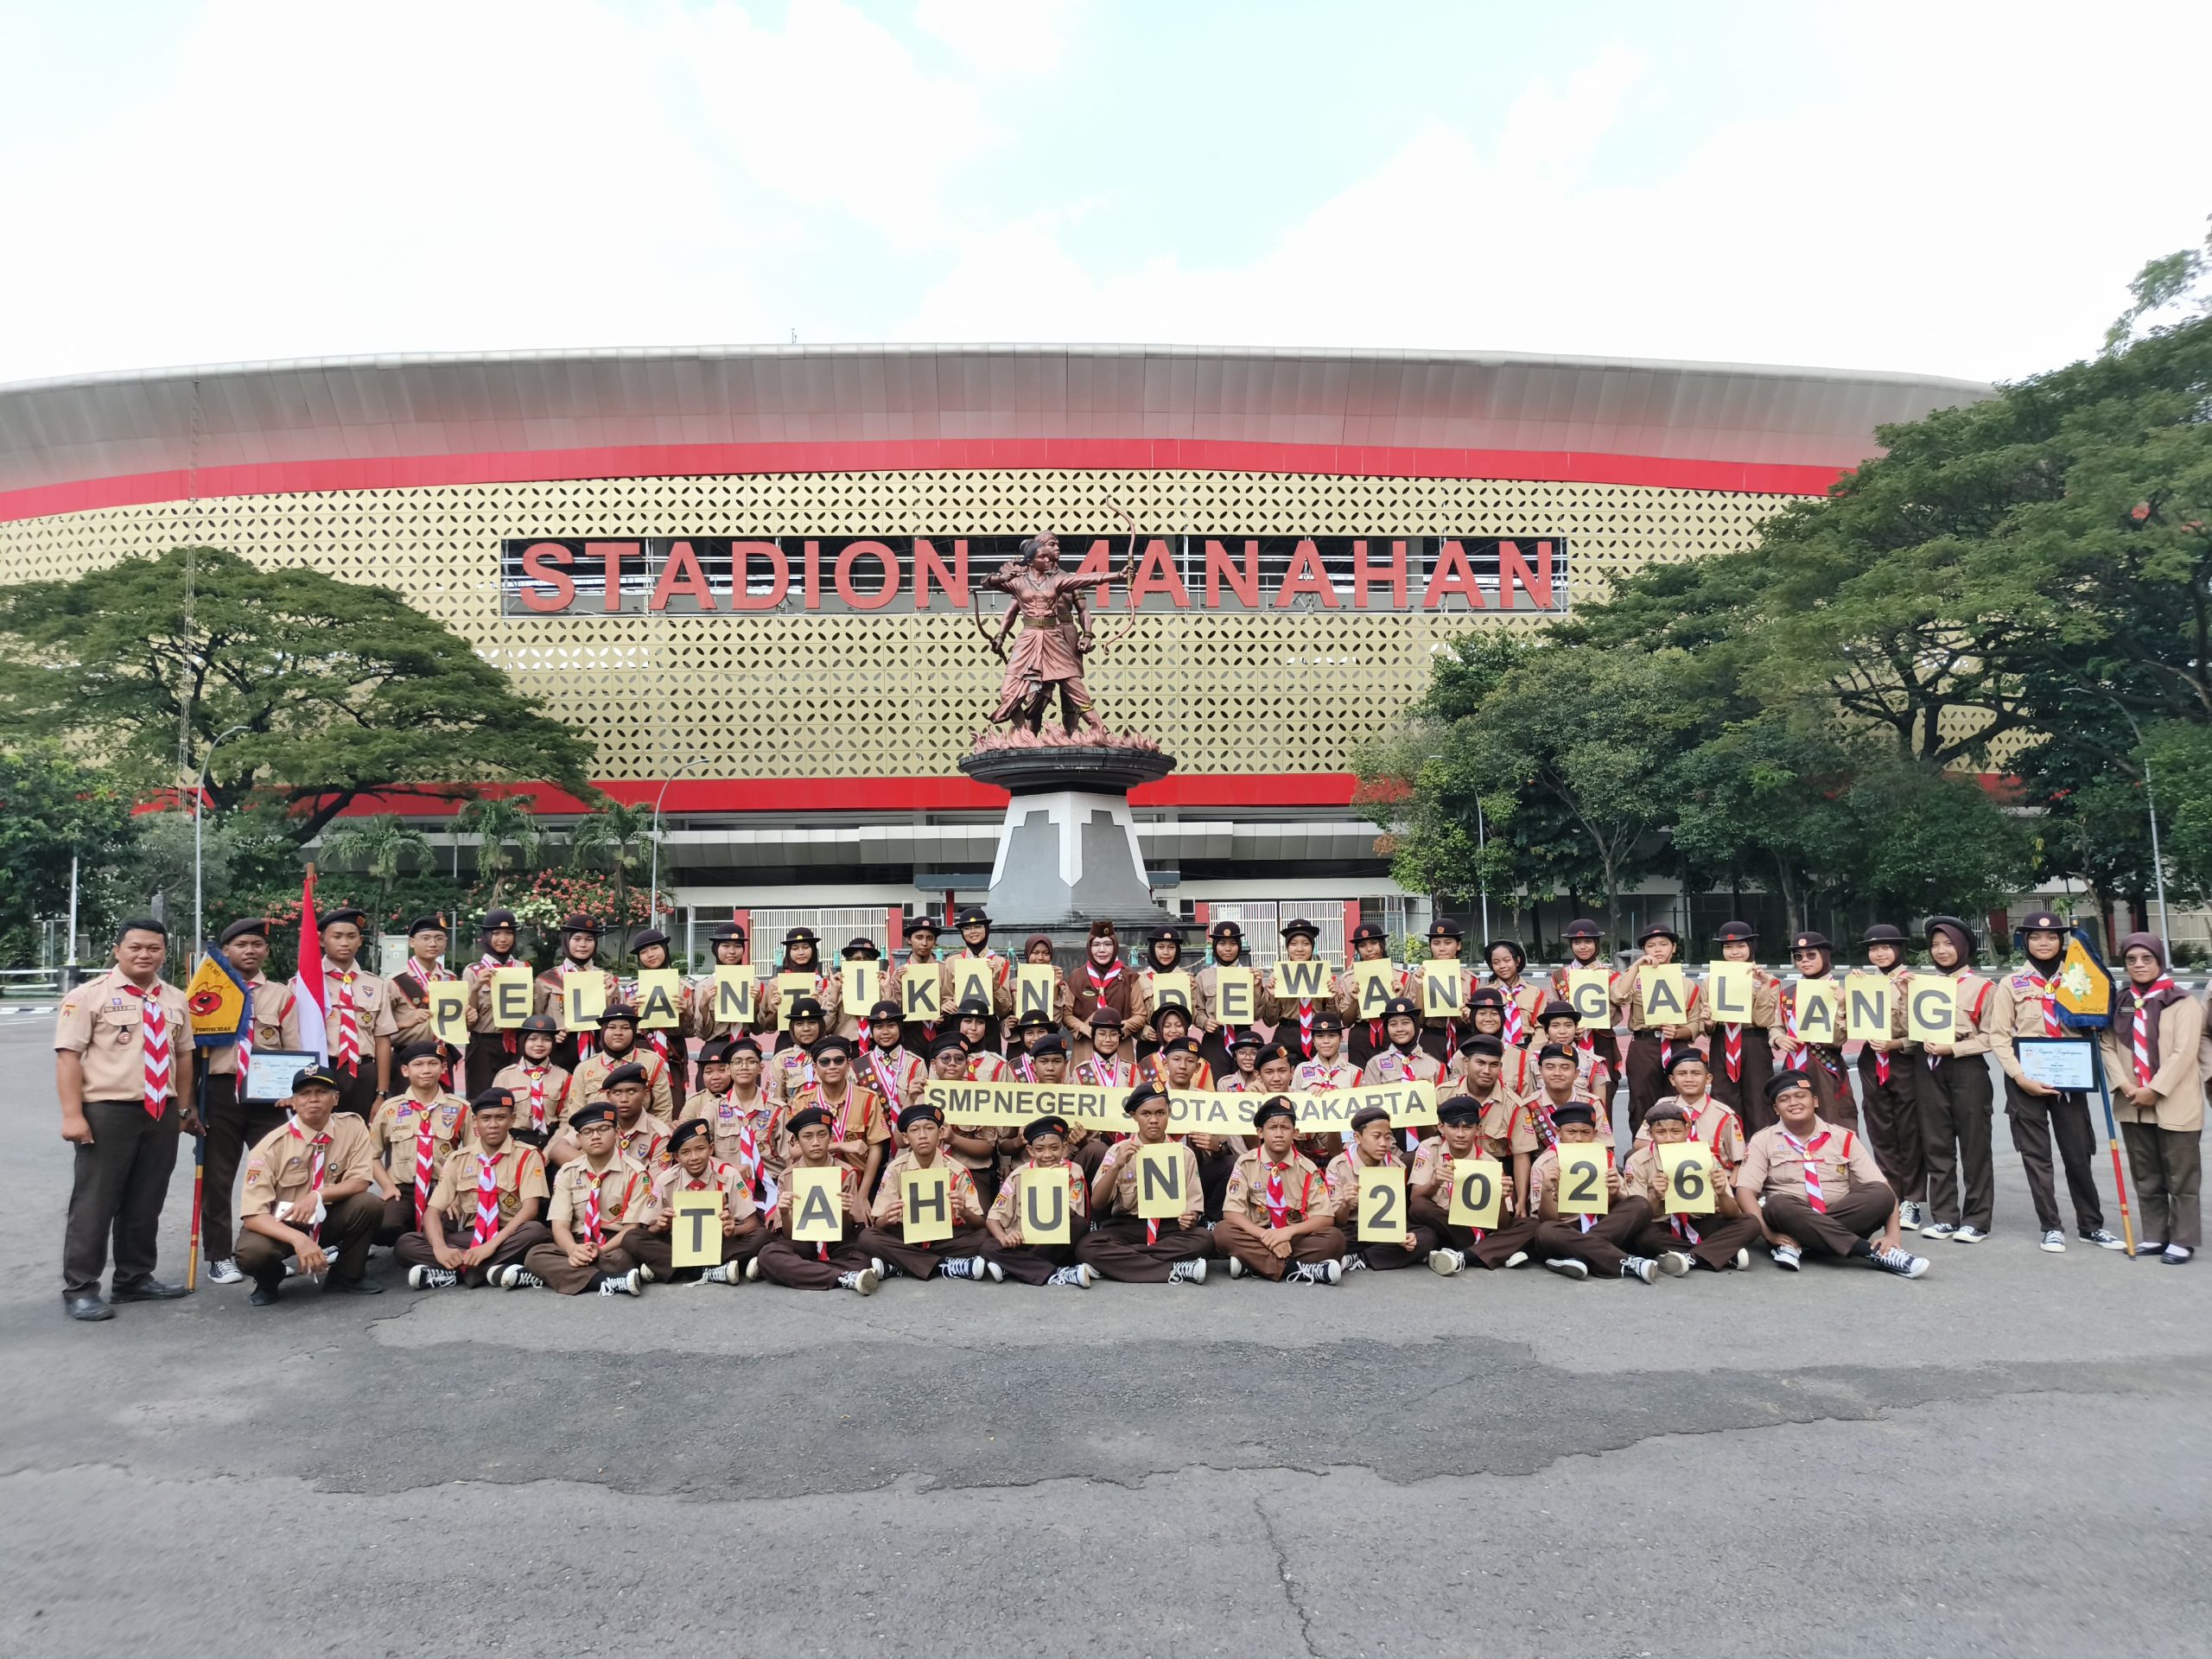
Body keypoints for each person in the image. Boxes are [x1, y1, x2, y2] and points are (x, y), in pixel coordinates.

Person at [55, 917, 198, 1320]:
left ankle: (135, 1278)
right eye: (135, 947)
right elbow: (68, 1057)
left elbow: (183, 1056)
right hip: (108, 1111)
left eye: (153, 948)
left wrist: (184, 1109)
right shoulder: (88, 996)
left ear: (165, 953)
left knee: (146, 1199)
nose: (144, 954)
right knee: (95, 1202)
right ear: (118, 951)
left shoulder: (174, 999)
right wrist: (72, 1116)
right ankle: (81, 1287)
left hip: (160, 1111)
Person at [1986, 912, 2122, 1252]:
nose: (2043, 943)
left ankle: (2091, 1225)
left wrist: (2095, 1021)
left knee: (2079, 1152)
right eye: (2035, 938)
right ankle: (2051, 1226)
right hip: (2025, 1082)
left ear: (2062, 941)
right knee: (2037, 1157)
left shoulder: (2081, 979)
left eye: (2050, 937)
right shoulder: (2012, 983)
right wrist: (2020, 1077)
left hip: (2071, 1080)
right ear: (2026, 942)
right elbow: (1999, 1036)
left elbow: (2098, 1026)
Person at [198, 917, 303, 1287]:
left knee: (281, 1175)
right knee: (218, 1177)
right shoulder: (204, 989)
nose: (250, 951)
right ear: (226, 951)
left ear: (267, 952)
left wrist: (295, 1092)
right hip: (220, 1091)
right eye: (241, 945)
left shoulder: (280, 995)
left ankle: (275, 1250)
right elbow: (187, 1049)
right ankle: (219, 1257)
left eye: (257, 945)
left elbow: (293, 1047)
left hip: (269, 1097)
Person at [1738, 1073, 1928, 1277]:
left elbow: (1883, 1189)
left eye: (1800, 1096)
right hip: (1791, 1218)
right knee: (1777, 1204)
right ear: (1776, 1109)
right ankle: (1872, 1253)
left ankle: (1803, 1244)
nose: (1793, 1103)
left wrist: (1893, 1235)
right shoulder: (1763, 1140)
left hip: (1842, 1217)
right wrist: (1770, 1234)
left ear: (1815, 1101)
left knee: (1881, 1193)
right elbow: (1745, 1192)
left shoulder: (1843, 1137)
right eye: (1784, 1099)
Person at [234, 1065, 385, 1305]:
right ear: (293, 1101)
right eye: (304, 1094)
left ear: (335, 1098)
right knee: (251, 1252)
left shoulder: (353, 1126)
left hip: (327, 1215)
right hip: (282, 1222)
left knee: (369, 1205)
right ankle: (270, 1279)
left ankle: (348, 1275)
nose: (313, 1099)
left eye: (321, 1092)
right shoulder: (269, 1147)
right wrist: (298, 1239)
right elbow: (253, 1215)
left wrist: (317, 1195)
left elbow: (360, 1181)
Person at [2102, 932, 2204, 1264]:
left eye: (2147, 958)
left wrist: (2153, 1089)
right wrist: (2124, 1084)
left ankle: (2183, 1238)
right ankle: (2154, 1235)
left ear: (2159, 960)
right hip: (2132, 1102)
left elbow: (2184, 1052)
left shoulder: (2182, 1001)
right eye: (2131, 959)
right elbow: (2106, 1045)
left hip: (2174, 1100)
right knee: (2145, 1173)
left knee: (2181, 1174)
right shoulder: (2118, 1002)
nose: (2139, 965)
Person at [393, 1086, 551, 1288]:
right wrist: (441, 1249)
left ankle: (454, 1274)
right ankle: (491, 1270)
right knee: (406, 1244)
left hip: (508, 1236)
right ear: (475, 1122)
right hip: (469, 1237)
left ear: (512, 1120)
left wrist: (490, 1247)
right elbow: (432, 1211)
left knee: (536, 1232)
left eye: (500, 1118)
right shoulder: (459, 1159)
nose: (493, 1125)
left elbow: (530, 1210)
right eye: (485, 1118)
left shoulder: (527, 1155)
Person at [980, 530, 1122, 734]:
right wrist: (1001, 635)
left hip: (1061, 637)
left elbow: (1088, 584)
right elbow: (998, 597)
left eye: (1054, 548)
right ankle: (1027, 736)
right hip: (1031, 639)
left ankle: (1094, 729)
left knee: (1072, 686)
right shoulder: (1020, 581)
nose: (1053, 552)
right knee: (1036, 695)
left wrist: (1118, 575)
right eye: (1045, 552)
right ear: (1031, 559)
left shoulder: (1060, 580)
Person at [512, 1103, 659, 1295]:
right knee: (535, 1255)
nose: (595, 1136)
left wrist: (600, 1249)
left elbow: (631, 1229)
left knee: (624, 1259)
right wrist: (572, 1249)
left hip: (613, 1242)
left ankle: (555, 1276)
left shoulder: (636, 1173)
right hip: (577, 1241)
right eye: (587, 1132)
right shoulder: (568, 1172)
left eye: (602, 1129)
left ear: (616, 1133)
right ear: (579, 1139)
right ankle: (606, 1281)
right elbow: (560, 1225)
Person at [1076, 1084, 1211, 1283]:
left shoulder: (1183, 1154)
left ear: (1169, 1113)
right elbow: (1097, 1203)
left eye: (1160, 1113)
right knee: (1086, 1246)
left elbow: (1193, 1207)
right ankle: (1175, 1269)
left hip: (1168, 1226)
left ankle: (1117, 1262)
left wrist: (1190, 1217)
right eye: (1146, 1114)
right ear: (1134, 1116)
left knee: (1205, 1240)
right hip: (1128, 1225)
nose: (1154, 1120)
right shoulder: (1118, 1151)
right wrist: (1116, 1166)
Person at [1914, 917, 1996, 1243]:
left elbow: (1992, 1036)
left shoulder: (1984, 988)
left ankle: (1977, 1218)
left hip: (1967, 1069)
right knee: (1936, 1143)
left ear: (1963, 947)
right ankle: (1945, 1216)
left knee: (1975, 1144)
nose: (1941, 951)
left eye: (1948, 944)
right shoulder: (1922, 985)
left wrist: (1955, 1048)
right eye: (1935, 945)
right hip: (1928, 1068)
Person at [856, 1103, 995, 1281]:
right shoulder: (896, 1169)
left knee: (985, 1238)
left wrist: (965, 1212)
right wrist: (887, 1218)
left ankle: (899, 1265)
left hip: (947, 1238)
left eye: (929, 1128)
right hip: (906, 1236)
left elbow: (979, 1224)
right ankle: (946, 1265)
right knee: (867, 1237)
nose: (922, 1136)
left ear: (940, 1135)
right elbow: (879, 1224)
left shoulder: (957, 1170)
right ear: (906, 1138)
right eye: (915, 1130)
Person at [1618, 1099, 1760, 1272]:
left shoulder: (1704, 1156)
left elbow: (1733, 1213)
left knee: (1750, 1223)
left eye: (1676, 1131)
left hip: (1700, 1221)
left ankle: (1688, 1258)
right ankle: (1716, 1253)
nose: (1669, 1139)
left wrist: (1722, 1193)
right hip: (1662, 1224)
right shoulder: (1638, 1161)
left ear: (1687, 1130)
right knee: (1640, 1236)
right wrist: (1655, 1196)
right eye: (1661, 1132)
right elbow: (1640, 1216)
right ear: (1650, 1133)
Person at [1215, 1098, 1347, 1283]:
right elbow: (1231, 1213)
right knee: (1222, 1232)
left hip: (1293, 1239)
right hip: (1257, 1235)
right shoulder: (1246, 1163)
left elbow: (1325, 1217)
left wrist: (1287, 1233)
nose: (1279, 1134)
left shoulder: (1307, 1168)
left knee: (1335, 1239)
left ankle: (1252, 1264)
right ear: (1260, 1133)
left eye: (1285, 1128)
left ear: (1295, 1132)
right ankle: (1297, 1269)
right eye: (1272, 1127)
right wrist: (1267, 1236)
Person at [1527, 1102, 1662, 1283]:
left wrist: (1615, 1194)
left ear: (1594, 1134)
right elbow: (1548, 1219)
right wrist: (1546, 1190)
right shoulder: (1545, 1164)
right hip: (1568, 1227)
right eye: (1571, 1132)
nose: (1579, 1139)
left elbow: (1625, 1202)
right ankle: (1629, 1262)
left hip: (1605, 1224)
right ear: (1558, 1133)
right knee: (1545, 1231)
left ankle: (1578, 1255)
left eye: (1585, 1132)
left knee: (1640, 1204)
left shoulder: (1604, 1156)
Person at [754, 1104, 881, 1294]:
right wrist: (784, 1212)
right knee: (768, 1255)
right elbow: (789, 1235)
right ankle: (844, 1277)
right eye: (807, 1136)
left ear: (830, 1138)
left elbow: (847, 1232)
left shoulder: (846, 1173)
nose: (815, 1142)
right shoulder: (788, 1176)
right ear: (796, 1141)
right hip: (802, 1242)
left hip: (836, 1243)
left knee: (865, 1253)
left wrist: (845, 1212)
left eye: (822, 1135)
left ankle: (804, 1271)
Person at [1408, 1093, 1535, 1269]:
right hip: (1443, 1224)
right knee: (1420, 1208)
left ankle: (1463, 1255)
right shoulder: (1429, 1148)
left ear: (1478, 1129)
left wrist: (1499, 1198)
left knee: (1531, 1225)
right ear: (1441, 1127)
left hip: (1477, 1225)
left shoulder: (1489, 1162)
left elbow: (1501, 1224)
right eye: (1453, 1127)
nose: (1460, 1134)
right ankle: (1491, 1249)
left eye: (1467, 1128)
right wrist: (1434, 1183)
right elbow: (1416, 1198)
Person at [1325, 1105, 1455, 1273]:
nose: (1383, 1144)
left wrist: (1399, 1235)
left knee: (1427, 1237)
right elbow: (1338, 1221)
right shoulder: (1338, 1165)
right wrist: (1345, 1204)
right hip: (1353, 1229)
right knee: (1335, 1240)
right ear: (1357, 1137)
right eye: (1376, 1137)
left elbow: (1396, 1215)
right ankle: (1385, 1254)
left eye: (1388, 1138)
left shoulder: (1395, 1165)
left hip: (1385, 1229)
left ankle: (1358, 1259)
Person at [366, 1040, 472, 1245]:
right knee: (384, 1228)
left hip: (441, 1189)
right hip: (402, 1190)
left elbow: (473, 1156)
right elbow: (371, 1154)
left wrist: (457, 1196)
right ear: (405, 1071)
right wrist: (387, 1186)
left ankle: (418, 1243)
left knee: (440, 1232)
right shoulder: (390, 1109)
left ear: (443, 1069)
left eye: (433, 1064)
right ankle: (412, 1239)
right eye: (418, 1064)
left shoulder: (461, 1108)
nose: (426, 1070)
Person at [641, 1118, 766, 1285]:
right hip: (678, 1245)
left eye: (700, 1149)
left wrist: (732, 1229)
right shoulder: (665, 1180)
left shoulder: (729, 1175)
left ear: (711, 1149)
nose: (694, 1157)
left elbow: (753, 1223)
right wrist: (661, 1226)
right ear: (676, 1157)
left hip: (720, 1245)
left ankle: (669, 1268)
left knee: (763, 1236)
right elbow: (648, 1229)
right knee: (632, 1238)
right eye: (685, 1152)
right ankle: (712, 1271)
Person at [1611, 924, 1705, 1135]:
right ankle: (1641, 1153)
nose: (1658, 949)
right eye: (1651, 945)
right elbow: (1617, 996)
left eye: (1664, 944)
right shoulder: (1635, 980)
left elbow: (1697, 1022)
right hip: (1645, 1045)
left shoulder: (1687, 984)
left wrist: (1680, 1033)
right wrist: (1635, 967)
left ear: (1674, 948)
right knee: (1641, 1101)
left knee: (1680, 1099)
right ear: (1645, 951)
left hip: (1677, 1046)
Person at [979, 1116, 1096, 1287]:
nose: (1047, 1155)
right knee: (988, 1246)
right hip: (1024, 1242)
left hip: (1056, 1243)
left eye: (1054, 1148)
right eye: (1040, 1149)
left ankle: (1013, 1267)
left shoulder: (1073, 1171)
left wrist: (1060, 1188)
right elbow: (993, 1218)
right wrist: (1005, 1238)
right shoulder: (1019, 1174)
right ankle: (1058, 1273)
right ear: (1030, 1151)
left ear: (1064, 1149)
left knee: (1080, 1225)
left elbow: (1074, 1214)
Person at [1853, 925, 1923, 1205]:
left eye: (1885, 947)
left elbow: (1925, 1029)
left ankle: (1913, 1199)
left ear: (1899, 949)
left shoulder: (1914, 981)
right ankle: (1891, 1194)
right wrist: (1850, 994)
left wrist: (1896, 1044)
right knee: (1879, 1129)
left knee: (1909, 1131)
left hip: (1902, 1061)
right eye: (1873, 948)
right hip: (1872, 1061)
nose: (1879, 954)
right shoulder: (1864, 981)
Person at [317, 905, 400, 1119]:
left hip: (364, 1073)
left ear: (360, 941)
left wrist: (381, 1093)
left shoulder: (375, 984)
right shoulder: (306, 983)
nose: (345, 942)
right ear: (321, 940)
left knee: (361, 1140)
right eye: (337, 936)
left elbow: (382, 1040)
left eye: (351, 936)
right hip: (323, 1069)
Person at [1769, 931, 1856, 1132]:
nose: (1804, 961)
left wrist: (1842, 1006)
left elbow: (1840, 1039)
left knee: (1835, 1124)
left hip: (1826, 1067)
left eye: (1811, 955)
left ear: (1824, 955)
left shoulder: (1839, 992)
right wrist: (1779, 1038)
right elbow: (1775, 1025)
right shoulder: (1788, 993)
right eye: (1799, 957)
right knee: (1794, 1122)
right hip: (1792, 1067)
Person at [783, 1035, 891, 1193]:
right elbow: (794, 1151)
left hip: (859, 1182)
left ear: (848, 1065)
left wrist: (862, 1196)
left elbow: (876, 1148)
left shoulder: (867, 1098)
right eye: (825, 1062)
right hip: (814, 1183)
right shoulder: (802, 1101)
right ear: (815, 1067)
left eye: (839, 1061)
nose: (832, 1066)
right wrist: (840, 1145)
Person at [678, 1035, 779, 1202]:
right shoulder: (714, 1107)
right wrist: (727, 1167)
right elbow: (695, 1147)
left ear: (761, 1067)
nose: (744, 1067)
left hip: (770, 1189)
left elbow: (790, 1159)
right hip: (725, 1188)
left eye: (751, 1062)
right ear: (729, 1069)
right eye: (737, 1062)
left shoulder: (778, 1109)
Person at [1447, 1035, 1537, 1212]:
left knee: (1522, 1225)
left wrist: (1520, 1201)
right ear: (1466, 1062)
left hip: (1494, 1176)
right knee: (1422, 1208)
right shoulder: (1444, 1094)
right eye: (1480, 1063)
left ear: (1500, 1067)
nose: (1487, 1070)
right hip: (1451, 1171)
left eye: (1494, 1065)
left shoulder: (1514, 1104)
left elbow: (1521, 1155)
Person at [1707, 922, 1780, 1129]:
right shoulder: (1711, 980)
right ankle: (1729, 1154)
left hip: (1753, 1041)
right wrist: (1708, 1021)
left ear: (1751, 947)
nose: (1734, 952)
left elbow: (1763, 1020)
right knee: (1723, 1097)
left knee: (1759, 1098)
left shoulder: (1769, 980)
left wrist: (1764, 985)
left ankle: (1761, 1151)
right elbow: (1708, 1027)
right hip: (1722, 1041)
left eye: (1741, 946)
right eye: (1728, 947)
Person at [1548, 918, 1623, 1103]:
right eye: (1576, 942)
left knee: (1603, 1099)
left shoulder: (1611, 975)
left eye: (1588, 942)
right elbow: (1552, 1011)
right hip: (1567, 1043)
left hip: (1602, 1042)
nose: (1582, 947)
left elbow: (1618, 1008)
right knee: (1566, 1096)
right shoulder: (1559, 976)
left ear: (1596, 944)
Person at [534, 913, 618, 1073]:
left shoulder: (606, 979)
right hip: (560, 1051)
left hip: (598, 1048)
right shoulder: (547, 979)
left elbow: (614, 1020)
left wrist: (609, 996)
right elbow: (536, 1017)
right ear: (566, 941)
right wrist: (549, 1034)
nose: (583, 945)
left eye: (589, 939)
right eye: (577, 939)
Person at [385, 913, 459, 1083]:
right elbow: (379, 1027)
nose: (433, 943)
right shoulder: (396, 981)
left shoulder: (451, 979)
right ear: (412, 942)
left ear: (445, 943)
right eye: (425, 938)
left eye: (439, 938)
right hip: (409, 1057)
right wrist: (406, 1023)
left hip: (441, 1055)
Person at [569, 1005, 677, 1121]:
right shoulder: (584, 1068)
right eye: (612, 1027)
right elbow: (577, 1115)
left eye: (625, 1028)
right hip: (598, 1135)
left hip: (643, 1134)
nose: (618, 1033)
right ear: (603, 1031)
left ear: (634, 1031)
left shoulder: (653, 1063)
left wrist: (657, 1137)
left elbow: (662, 1110)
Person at [461, 906, 527, 1096]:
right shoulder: (473, 971)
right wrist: (476, 988)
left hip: (516, 1042)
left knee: (517, 1096)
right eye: (496, 933)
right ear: (486, 937)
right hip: (484, 1043)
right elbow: (467, 1020)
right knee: (482, 1097)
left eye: (508, 933)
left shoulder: (522, 968)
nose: (503, 939)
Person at [491, 1014, 570, 1148]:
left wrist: (550, 1152)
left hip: (552, 1143)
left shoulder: (563, 1076)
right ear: (523, 1042)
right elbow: (497, 1116)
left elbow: (566, 1120)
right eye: (532, 1039)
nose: (539, 1044)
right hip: (514, 1144)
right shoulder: (505, 1076)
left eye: (546, 1039)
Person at [1257, 918, 1332, 1059]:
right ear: (1287, 947)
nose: (1299, 949)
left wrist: (1332, 998)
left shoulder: (1324, 974)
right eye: (1293, 944)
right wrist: (1272, 996)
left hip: (1318, 1035)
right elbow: (1270, 1021)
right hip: (1287, 1037)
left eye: (1306, 944)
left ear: (1312, 946)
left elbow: (1334, 1016)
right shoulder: (1278, 975)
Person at [620, 927, 688, 1082]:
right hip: (641, 1052)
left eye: (655, 948)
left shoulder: (682, 986)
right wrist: (627, 1012)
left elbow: (692, 1031)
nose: (650, 955)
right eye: (643, 952)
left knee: (675, 1103)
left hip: (673, 1054)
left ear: (665, 949)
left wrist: (687, 1012)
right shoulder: (631, 990)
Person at [1068, 922, 1141, 1057]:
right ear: (1089, 947)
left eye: (1108, 944)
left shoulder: (1129, 977)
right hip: (1086, 1047)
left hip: (1120, 1047)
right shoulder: (1076, 977)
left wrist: (1120, 1027)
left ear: (1115, 946)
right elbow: (1066, 1015)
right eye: (1096, 945)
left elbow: (1140, 1014)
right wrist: (1083, 1028)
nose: (1102, 950)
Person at [759, 925, 839, 1045]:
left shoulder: (825, 984)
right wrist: (776, 1010)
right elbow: (767, 1027)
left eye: (806, 947)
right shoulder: (776, 984)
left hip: (817, 1045)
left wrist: (820, 1009)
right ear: (788, 952)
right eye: (795, 948)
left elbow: (830, 1027)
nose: (801, 952)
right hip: (786, 1045)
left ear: (813, 949)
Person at [1411, 919, 1477, 1061]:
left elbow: (1478, 1017)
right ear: (1430, 947)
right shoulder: (1419, 977)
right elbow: (1417, 1019)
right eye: (1436, 943)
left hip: (1464, 1036)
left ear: (1458, 945)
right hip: (1433, 1037)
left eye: (1448, 943)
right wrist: (1419, 986)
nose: (1442, 948)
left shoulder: (1471, 979)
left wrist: (1469, 1015)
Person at [1358, 998, 1444, 1105]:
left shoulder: (1436, 1065)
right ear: (1386, 1028)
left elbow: (1443, 1106)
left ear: (1416, 1025)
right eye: (1393, 1024)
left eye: (1405, 1023)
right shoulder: (1375, 1064)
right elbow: (1370, 1107)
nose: (1399, 1029)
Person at [1194, 919, 1253, 1075]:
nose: (1228, 949)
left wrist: (1259, 988)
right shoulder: (1203, 976)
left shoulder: (1250, 975)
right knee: (1213, 1084)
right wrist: (1205, 1022)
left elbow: (1262, 1014)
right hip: (1214, 1039)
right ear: (1214, 946)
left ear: (1239, 946)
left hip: (1243, 1037)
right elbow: (1197, 1010)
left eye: (1233, 943)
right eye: (1222, 944)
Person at [856, 1000, 928, 1128]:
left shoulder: (916, 1064)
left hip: (907, 1139)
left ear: (900, 1028)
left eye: (891, 1026)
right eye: (879, 1027)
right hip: (872, 1139)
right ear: (872, 1031)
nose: (885, 1032)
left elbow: (921, 1107)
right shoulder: (859, 1065)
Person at [889, 917, 951, 1056]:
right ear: (909, 940)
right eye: (919, 937)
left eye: (930, 938)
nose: (924, 943)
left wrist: (944, 1012)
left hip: (940, 1032)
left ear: (935, 942)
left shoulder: (943, 969)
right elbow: (897, 1008)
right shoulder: (900, 973)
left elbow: (950, 998)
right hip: (912, 1034)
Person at [690, 920, 756, 1049]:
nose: (732, 951)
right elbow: (701, 1033)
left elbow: (759, 1029)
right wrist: (703, 1005)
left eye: (737, 946)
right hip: (716, 1046)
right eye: (725, 946)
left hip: (746, 1045)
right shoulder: (705, 985)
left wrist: (757, 1004)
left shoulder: (754, 983)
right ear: (716, 948)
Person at [1338, 920, 1396, 1065]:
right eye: (1362, 946)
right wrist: (1354, 1000)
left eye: (1374, 943)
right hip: (1362, 1034)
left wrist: (1398, 995)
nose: (1369, 949)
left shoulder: (1399, 975)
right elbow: (1346, 1021)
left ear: (1382, 945)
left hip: (1392, 1031)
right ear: (1357, 950)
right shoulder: (1349, 978)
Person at [1135, 924, 1202, 1049]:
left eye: (1171, 947)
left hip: (1179, 1043)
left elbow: (1194, 1015)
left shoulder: (1187, 979)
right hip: (1149, 1045)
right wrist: (1143, 1031)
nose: (1166, 952)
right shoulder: (1139, 979)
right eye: (1160, 947)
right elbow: (1133, 1014)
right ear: (1152, 949)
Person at [1482, 939, 1546, 1049]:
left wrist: (1532, 1053)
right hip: (1496, 1048)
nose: (1502, 966)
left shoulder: (1535, 992)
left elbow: (1541, 1027)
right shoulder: (1485, 992)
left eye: (1507, 960)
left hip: (1526, 1047)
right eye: (1496, 962)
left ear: (1517, 961)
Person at [767, 998, 831, 1103]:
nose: (806, 1028)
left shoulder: (834, 1057)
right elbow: (776, 1102)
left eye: (812, 1022)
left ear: (821, 1025)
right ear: (792, 1028)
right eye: (799, 1024)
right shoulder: (781, 1060)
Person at [834, 936, 886, 1042]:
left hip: (876, 1042)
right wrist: (835, 991)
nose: (861, 962)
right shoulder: (836, 984)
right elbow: (826, 1026)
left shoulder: (883, 983)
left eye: (867, 959)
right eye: (856, 959)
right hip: (846, 1043)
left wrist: (886, 988)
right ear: (848, 961)